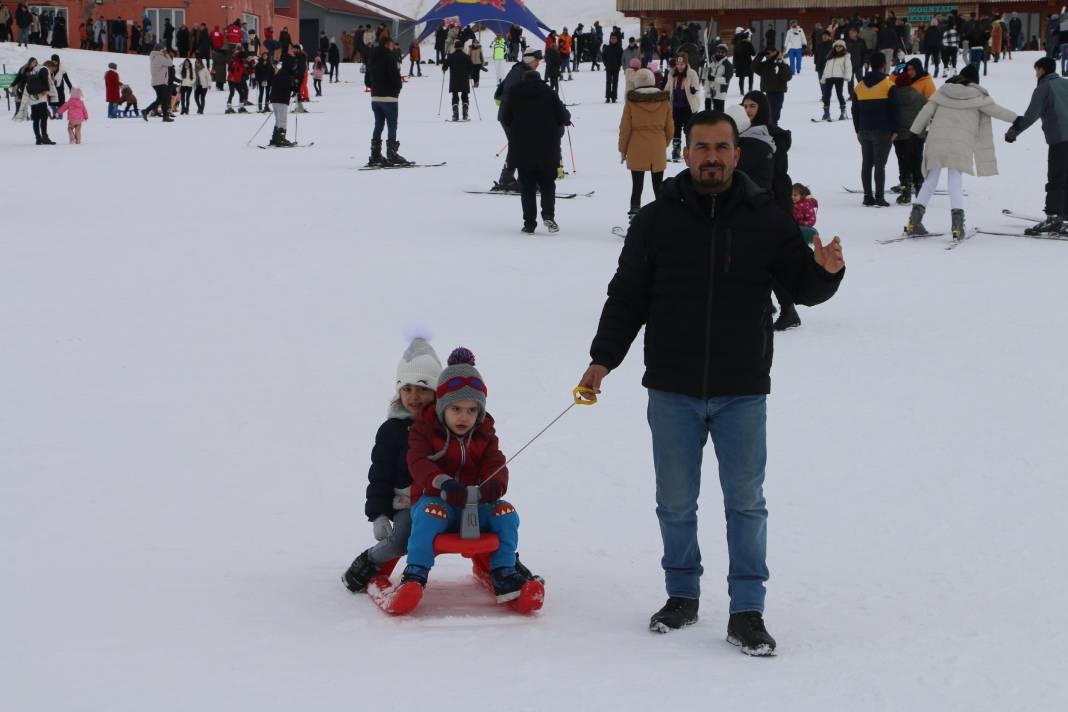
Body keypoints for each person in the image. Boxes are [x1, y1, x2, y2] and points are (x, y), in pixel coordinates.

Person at [576, 110, 845, 657]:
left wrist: (825, 273)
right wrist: (603, 359)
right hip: (671, 387)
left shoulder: (767, 218)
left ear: (737, 155)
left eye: (722, 147)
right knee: (675, 502)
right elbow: (627, 295)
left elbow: (802, 286)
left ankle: (747, 611)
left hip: (742, 387)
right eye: (702, 147)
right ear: (686, 152)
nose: (713, 157)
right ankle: (682, 595)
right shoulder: (655, 220)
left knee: (745, 502)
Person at [399, 348, 528, 604]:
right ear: (442, 407)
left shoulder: (484, 434)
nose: (463, 416)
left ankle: (502, 571)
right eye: (456, 408)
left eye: (471, 410)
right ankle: (416, 573)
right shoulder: (424, 429)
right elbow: (418, 462)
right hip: (438, 502)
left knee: (506, 513)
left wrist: (492, 487)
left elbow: (496, 464)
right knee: (428, 515)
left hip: (475, 505)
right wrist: (443, 483)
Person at [342, 336, 442, 593]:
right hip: (408, 503)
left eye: (422, 388)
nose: (414, 396)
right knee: (402, 540)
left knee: (484, 526)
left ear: (436, 391)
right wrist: (379, 514)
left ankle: (505, 569)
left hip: (445, 501)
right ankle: (370, 560)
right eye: (407, 389)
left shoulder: (447, 427)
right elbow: (380, 474)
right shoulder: (392, 430)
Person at [906, 64, 1016, 240]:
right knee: (955, 182)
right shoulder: (978, 95)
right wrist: (1017, 119)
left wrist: (913, 132)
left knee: (930, 181)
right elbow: (997, 111)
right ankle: (957, 227)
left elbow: (926, 110)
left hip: (937, 141)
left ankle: (914, 222)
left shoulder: (944, 91)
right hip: (960, 144)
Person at [502, 68, 571, 233]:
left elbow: (506, 118)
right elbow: (563, 116)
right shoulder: (549, 92)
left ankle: (529, 223)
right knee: (547, 183)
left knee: (526, 186)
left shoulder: (514, 92)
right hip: (548, 147)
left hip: (522, 146)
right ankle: (548, 215)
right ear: (539, 79)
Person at [1004, 57, 1068, 235]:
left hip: (1060, 140)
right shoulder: (1066, 83)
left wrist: (1012, 133)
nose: (1035, 74)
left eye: (1036, 70)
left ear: (1042, 70)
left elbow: (1031, 115)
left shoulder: (1044, 87)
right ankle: (1065, 217)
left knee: (1056, 178)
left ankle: (1054, 218)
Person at [619, 67, 673, 223]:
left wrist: (623, 149)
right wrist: (664, 143)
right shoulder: (664, 102)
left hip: (637, 146)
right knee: (658, 186)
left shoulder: (631, 102)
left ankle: (634, 214)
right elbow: (670, 128)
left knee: (637, 186)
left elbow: (625, 129)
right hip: (657, 145)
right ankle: (662, 214)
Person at [851, 52, 897, 206]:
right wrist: (895, 130)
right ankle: (879, 197)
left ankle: (867, 196)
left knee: (867, 164)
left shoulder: (859, 86)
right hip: (883, 131)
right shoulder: (888, 85)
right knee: (879, 165)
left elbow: (854, 110)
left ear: (870, 65)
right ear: (884, 65)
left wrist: (858, 129)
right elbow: (895, 110)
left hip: (864, 130)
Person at [493, 49, 542, 192]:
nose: (538, 63)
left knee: (519, 146)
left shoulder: (524, 71)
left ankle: (511, 178)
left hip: (516, 116)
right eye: (536, 60)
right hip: (510, 116)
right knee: (518, 146)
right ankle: (509, 179)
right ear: (528, 60)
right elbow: (511, 94)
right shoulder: (518, 72)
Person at [891, 59, 935, 204]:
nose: (910, 72)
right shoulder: (917, 94)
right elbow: (930, 108)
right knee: (917, 162)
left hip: (900, 135)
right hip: (917, 134)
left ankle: (905, 192)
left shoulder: (894, 95)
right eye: (908, 70)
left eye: (912, 69)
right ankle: (920, 192)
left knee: (903, 164)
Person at [367, 36, 409, 166]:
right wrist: (397, 88)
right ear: (388, 44)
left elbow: (367, 78)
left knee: (378, 124)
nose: (393, 46)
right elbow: (394, 76)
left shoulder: (372, 57)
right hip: (389, 97)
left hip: (375, 97)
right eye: (392, 43)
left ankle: (375, 155)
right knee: (392, 125)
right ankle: (392, 154)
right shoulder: (389, 57)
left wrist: (373, 87)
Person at [668, 52, 701, 161]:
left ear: (686, 64)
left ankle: (690, 149)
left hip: (688, 106)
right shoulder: (672, 74)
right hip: (676, 106)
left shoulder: (692, 73)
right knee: (676, 127)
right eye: (678, 64)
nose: (680, 66)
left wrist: (694, 89)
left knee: (689, 128)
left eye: (682, 64)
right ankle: (676, 149)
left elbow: (696, 85)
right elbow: (668, 87)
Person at [19, 59, 58, 144]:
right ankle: (44, 137)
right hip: (41, 98)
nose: (51, 72)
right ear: (49, 66)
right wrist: (46, 89)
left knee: (36, 120)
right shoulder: (44, 69)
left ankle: (38, 138)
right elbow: (45, 80)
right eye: (52, 69)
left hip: (32, 99)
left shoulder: (34, 69)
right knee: (43, 118)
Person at [753, 48, 792, 124]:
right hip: (768, 92)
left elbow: (787, 77)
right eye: (768, 53)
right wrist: (760, 55)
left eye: (772, 53)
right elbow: (754, 67)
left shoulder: (783, 64)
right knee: (769, 113)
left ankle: (774, 129)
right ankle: (771, 128)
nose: (769, 55)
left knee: (775, 114)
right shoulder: (764, 65)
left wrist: (780, 62)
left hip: (779, 92)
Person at [820, 39, 852, 121]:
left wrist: (848, 76)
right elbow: (826, 69)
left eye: (840, 46)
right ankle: (826, 113)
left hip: (839, 77)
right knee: (826, 95)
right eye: (836, 46)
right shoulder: (830, 56)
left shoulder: (846, 56)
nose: (838, 47)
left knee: (839, 95)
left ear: (843, 47)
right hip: (829, 78)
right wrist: (823, 78)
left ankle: (843, 112)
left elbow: (848, 67)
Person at [142, 43, 174, 122]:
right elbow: (170, 63)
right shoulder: (159, 57)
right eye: (164, 49)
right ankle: (146, 111)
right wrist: (167, 55)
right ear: (160, 49)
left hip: (158, 81)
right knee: (161, 99)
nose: (165, 50)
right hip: (160, 82)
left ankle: (165, 116)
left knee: (164, 99)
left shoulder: (155, 56)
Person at [443, 40, 472, 121]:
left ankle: (455, 114)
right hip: (464, 80)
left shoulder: (451, 56)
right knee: (465, 97)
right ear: (462, 47)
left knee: (455, 97)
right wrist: (469, 73)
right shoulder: (466, 57)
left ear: (455, 47)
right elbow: (471, 68)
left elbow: (444, 66)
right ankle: (465, 114)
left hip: (454, 80)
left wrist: (444, 68)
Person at [703, 44, 733, 112]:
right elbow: (706, 75)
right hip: (709, 92)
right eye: (718, 51)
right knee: (707, 113)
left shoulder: (727, 65)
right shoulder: (711, 63)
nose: (720, 53)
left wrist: (714, 78)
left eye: (722, 52)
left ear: (726, 53)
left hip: (719, 93)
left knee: (718, 113)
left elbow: (726, 80)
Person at [733, 28, 756, 95]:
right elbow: (753, 53)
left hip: (740, 63)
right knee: (751, 76)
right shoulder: (749, 44)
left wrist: (737, 63)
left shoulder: (737, 45)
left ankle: (741, 91)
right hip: (748, 62)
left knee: (741, 78)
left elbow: (735, 56)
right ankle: (750, 89)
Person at [603, 33, 623, 103]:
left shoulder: (620, 48)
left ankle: (614, 97)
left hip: (616, 68)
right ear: (610, 39)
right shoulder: (607, 48)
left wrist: (619, 65)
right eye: (612, 38)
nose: (613, 40)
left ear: (617, 40)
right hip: (608, 68)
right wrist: (606, 64)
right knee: (608, 83)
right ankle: (608, 97)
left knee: (615, 83)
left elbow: (622, 58)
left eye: (614, 38)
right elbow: (603, 57)